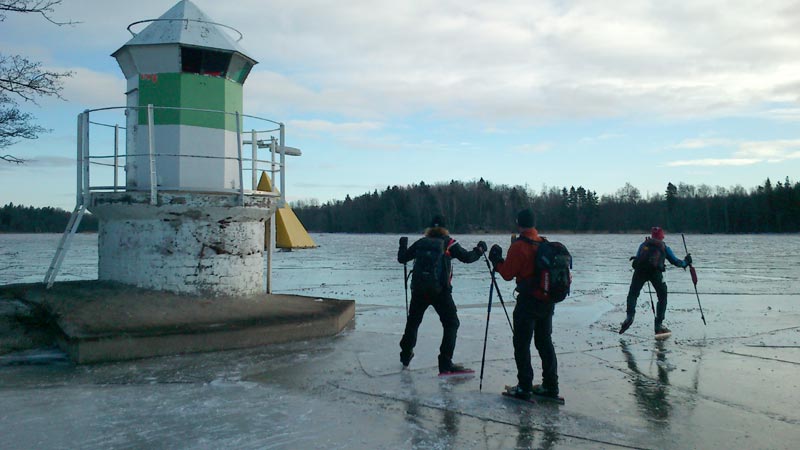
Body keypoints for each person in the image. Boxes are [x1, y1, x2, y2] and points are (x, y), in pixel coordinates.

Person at [397, 215, 487, 374]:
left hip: (419, 291)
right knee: (451, 323)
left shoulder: (421, 243)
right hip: (440, 292)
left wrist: (402, 245)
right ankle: (445, 362)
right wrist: (479, 250)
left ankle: (405, 355)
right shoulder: (449, 242)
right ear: (445, 228)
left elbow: (402, 258)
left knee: (413, 322)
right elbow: (467, 258)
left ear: (429, 228)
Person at [488, 209, 560, 400]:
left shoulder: (519, 246)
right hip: (547, 301)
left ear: (518, 223)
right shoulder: (544, 242)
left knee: (522, 343)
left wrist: (496, 261)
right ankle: (551, 386)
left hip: (528, 302)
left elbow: (507, 274)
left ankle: (524, 387)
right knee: (545, 343)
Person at [620, 226, 692, 336]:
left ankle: (630, 316)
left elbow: (638, 258)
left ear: (652, 235)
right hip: (655, 273)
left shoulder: (643, 245)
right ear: (662, 236)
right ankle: (658, 325)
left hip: (640, 272)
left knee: (633, 294)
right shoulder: (664, 247)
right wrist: (686, 262)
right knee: (662, 297)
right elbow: (676, 262)